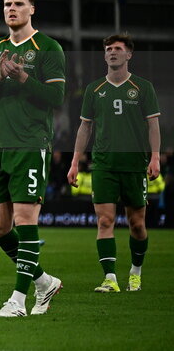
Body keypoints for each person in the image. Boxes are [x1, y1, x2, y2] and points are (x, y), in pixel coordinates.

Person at [0, 0, 65, 318]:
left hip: (30, 144)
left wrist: (24, 77)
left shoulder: (48, 48)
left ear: (32, 9)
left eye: (18, 4)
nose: (11, 9)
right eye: (7, 4)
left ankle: (18, 300)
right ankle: (44, 282)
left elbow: (57, 98)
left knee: (26, 220)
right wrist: (1, 77)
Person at [68, 33, 161, 293]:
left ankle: (135, 272)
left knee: (137, 225)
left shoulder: (143, 87)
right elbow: (84, 128)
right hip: (103, 165)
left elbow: (153, 125)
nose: (112, 52)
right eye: (108, 48)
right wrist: (75, 161)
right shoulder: (94, 89)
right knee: (105, 221)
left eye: (118, 48)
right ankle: (110, 278)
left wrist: (154, 157)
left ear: (129, 54)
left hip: (134, 165)